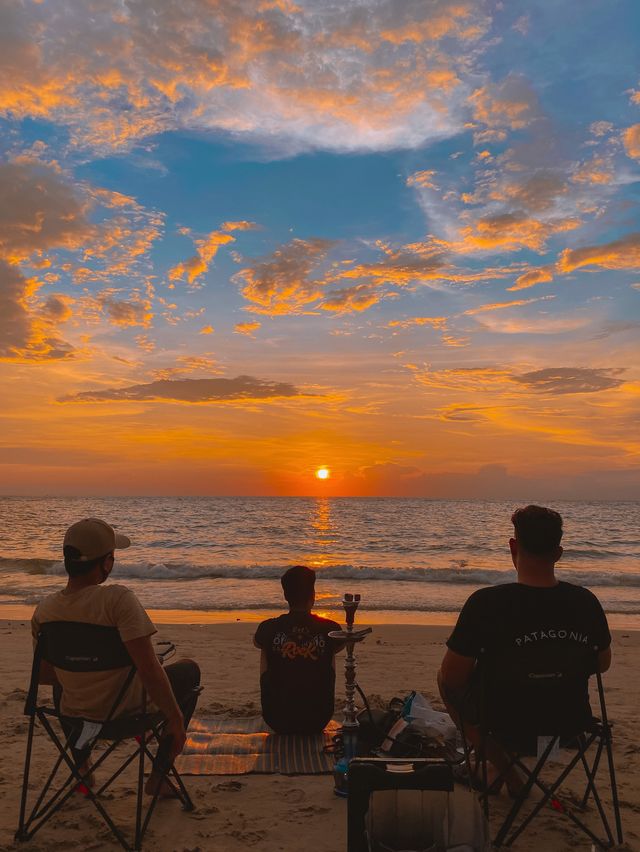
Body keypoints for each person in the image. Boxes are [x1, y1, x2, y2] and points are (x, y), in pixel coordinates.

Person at [438, 505, 611, 794]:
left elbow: (453, 678)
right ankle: (539, 757)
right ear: (558, 552)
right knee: (547, 696)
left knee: (445, 684)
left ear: (513, 547)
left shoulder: (486, 604)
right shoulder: (586, 603)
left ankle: (509, 775)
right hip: (569, 724)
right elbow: (601, 664)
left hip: (506, 725)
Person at [32, 517, 201, 795]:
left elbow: (43, 675)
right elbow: (148, 670)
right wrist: (174, 719)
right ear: (106, 563)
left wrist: (86, 669)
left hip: (77, 717)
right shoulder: (117, 601)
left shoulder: (45, 611)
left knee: (66, 682)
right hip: (128, 715)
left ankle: (83, 771)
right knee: (189, 670)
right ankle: (158, 777)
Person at [254, 565, 344, 734]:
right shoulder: (330, 628)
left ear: (285, 596)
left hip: (276, 719)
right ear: (313, 596)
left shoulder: (268, 627)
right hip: (318, 719)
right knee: (331, 644)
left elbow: (257, 642)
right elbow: (342, 645)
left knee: (266, 645)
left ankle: (280, 698)